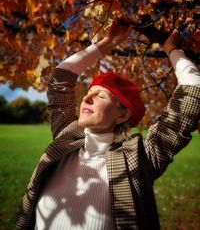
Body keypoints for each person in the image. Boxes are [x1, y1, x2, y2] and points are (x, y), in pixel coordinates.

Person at [15, 18, 200, 230]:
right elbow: (61, 78)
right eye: (88, 93)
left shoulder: (140, 159)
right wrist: (107, 42)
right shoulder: (67, 138)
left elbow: (193, 91)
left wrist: (172, 49)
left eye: (100, 95)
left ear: (122, 116)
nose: (86, 98)